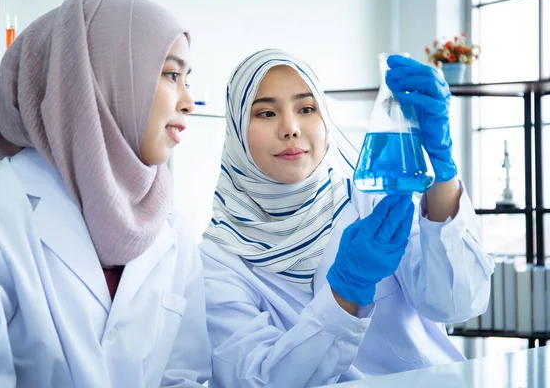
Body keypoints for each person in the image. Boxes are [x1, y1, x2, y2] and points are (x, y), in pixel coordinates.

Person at [0, 0, 210, 387]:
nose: (189, 101)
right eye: (172, 75)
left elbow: (185, 376)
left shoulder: (174, 230)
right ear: (101, 78)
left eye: (187, 79)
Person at [200, 49, 494, 387]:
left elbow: (457, 302)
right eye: (266, 113)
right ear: (236, 131)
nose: (291, 128)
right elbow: (257, 380)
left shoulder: (373, 200)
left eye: (306, 109)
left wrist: (442, 170)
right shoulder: (218, 262)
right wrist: (345, 292)